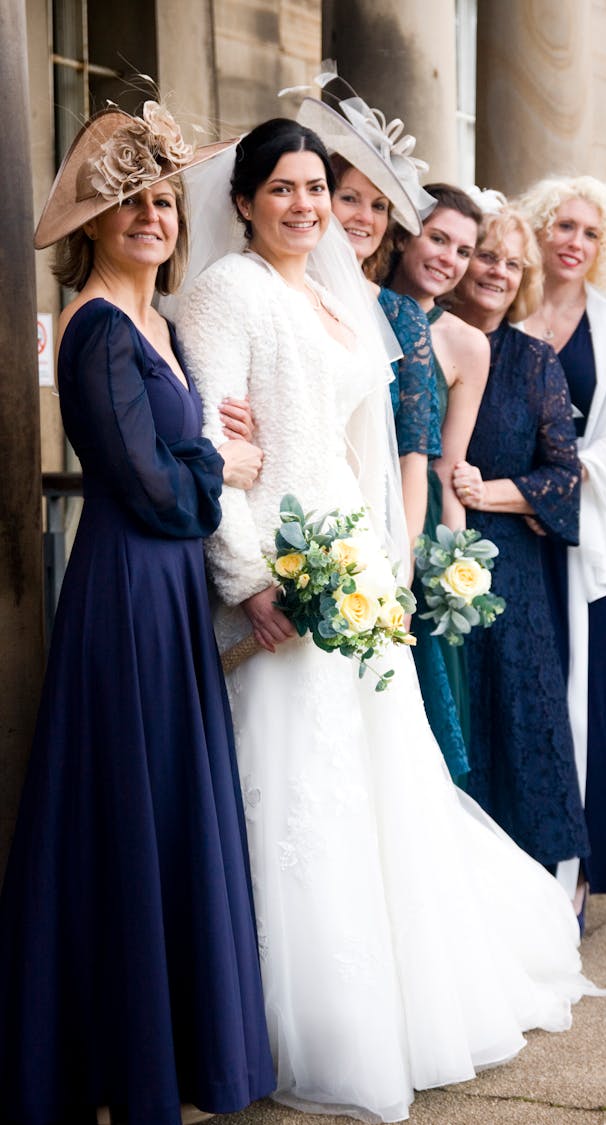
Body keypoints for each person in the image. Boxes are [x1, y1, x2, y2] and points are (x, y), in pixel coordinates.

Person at [176, 117, 604, 1125]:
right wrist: (247, 576)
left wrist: (385, 562)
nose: (305, 206)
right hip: (281, 572)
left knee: (372, 787)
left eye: (315, 189)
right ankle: (289, 1024)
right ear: (242, 201)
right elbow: (212, 437)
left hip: (352, 570)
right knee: (290, 788)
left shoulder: (331, 300)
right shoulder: (223, 294)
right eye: (282, 188)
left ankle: (398, 993)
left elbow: (370, 442)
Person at [0, 104, 275, 1125]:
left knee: (167, 807)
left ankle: (175, 1052)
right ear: (96, 227)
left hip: (166, 588)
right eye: (131, 203)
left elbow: (185, 444)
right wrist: (222, 461)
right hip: (126, 589)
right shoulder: (98, 328)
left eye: (164, 200)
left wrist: (219, 435)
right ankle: (117, 1065)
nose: (152, 216)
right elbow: (154, 486)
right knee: (128, 811)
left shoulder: (159, 324)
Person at [447, 198, 589, 878]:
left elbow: (563, 476)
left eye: (511, 262)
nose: (496, 271)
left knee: (519, 721)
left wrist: (487, 494)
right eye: (484, 255)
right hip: (434, 555)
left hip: (514, 578)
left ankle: (532, 889)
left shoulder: (535, 363)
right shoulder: (424, 337)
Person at [518, 175, 606, 911]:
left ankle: (583, 866)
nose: (574, 242)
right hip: (514, 527)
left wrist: (558, 486)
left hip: (591, 527)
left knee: (592, 691)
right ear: (538, 228)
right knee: (536, 687)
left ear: (605, 247)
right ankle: (531, 855)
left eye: (590, 233)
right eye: (563, 225)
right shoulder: (513, 308)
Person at [297, 86, 441, 561]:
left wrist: (402, 566)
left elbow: (412, 458)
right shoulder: (282, 294)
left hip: (374, 529)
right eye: (351, 198)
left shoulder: (403, 319)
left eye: (379, 206)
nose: (365, 217)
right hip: (293, 522)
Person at [383, 184, 490, 774]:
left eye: (464, 250)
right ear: (405, 235)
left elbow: (451, 463)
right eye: (438, 238)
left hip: (422, 523)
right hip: (355, 505)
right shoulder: (354, 308)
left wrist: (451, 564)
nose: (449, 258)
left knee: (427, 693)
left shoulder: (468, 345)